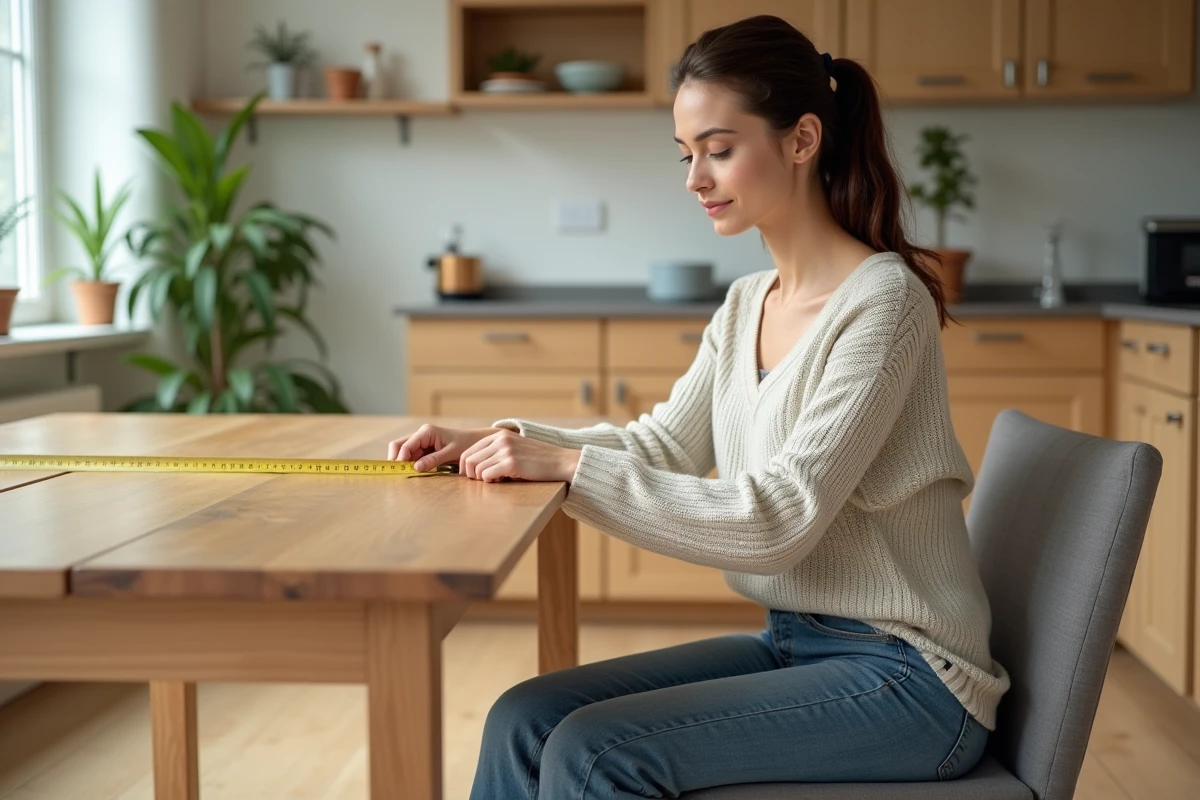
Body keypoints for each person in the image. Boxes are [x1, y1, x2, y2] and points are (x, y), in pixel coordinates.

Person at [388, 14, 1010, 799]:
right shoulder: (748, 301)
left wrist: (567, 466)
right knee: (525, 717)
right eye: (687, 155)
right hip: (794, 641)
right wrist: (504, 439)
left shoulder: (884, 303)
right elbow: (662, 447)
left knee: (595, 753)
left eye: (718, 149)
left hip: (911, 678)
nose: (695, 179)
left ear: (802, 139)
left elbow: (779, 520)